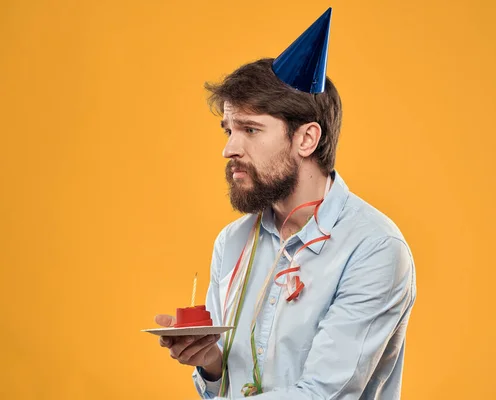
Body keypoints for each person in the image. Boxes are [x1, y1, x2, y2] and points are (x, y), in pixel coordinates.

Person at [154, 8, 416, 399]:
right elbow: (222, 389)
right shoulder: (232, 242)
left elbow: (325, 393)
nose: (229, 149)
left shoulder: (374, 249)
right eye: (228, 130)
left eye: (250, 129)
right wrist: (210, 362)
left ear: (306, 139)